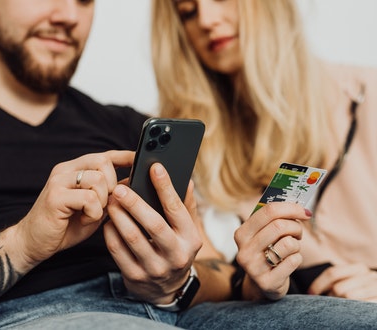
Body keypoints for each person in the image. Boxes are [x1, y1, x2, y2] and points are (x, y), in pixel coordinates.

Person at [0, 1, 377, 330]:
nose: (68, 14)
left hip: (180, 313)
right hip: (26, 313)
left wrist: (177, 281)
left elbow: (215, 267)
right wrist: (23, 243)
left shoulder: (134, 126)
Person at [151, 0, 377, 302]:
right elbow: (212, 278)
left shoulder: (367, 97)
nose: (205, 20)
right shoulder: (199, 150)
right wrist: (256, 286)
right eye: (187, 12)